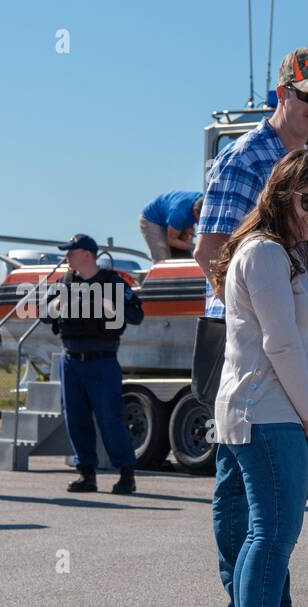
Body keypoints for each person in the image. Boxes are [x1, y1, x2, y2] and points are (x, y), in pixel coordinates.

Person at [194, 46, 308, 607]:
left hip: (283, 339)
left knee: (276, 497)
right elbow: (210, 251)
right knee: (243, 494)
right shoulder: (246, 158)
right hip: (241, 346)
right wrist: (254, 318)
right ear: (280, 95)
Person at [210, 148, 308, 607]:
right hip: (265, 411)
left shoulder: (290, 256)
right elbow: (280, 344)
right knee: (270, 535)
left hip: (284, 411)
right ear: (282, 193)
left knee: (265, 535)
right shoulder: (262, 252)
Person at [50, 234, 144, 494]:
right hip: (71, 361)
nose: (67, 256)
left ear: (87, 255)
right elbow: (47, 315)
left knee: (110, 419)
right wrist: (61, 302)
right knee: (76, 419)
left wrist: (108, 302)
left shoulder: (112, 282)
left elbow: (137, 315)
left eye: (71, 251)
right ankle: (86, 474)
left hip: (102, 361)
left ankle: (126, 475)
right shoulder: (64, 282)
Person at [139, 191, 202, 260]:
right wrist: (196, 247)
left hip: (173, 215)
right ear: (196, 212)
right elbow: (172, 240)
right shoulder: (179, 213)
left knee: (186, 247)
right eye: (202, 219)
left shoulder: (205, 201)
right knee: (163, 257)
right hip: (152, 220)